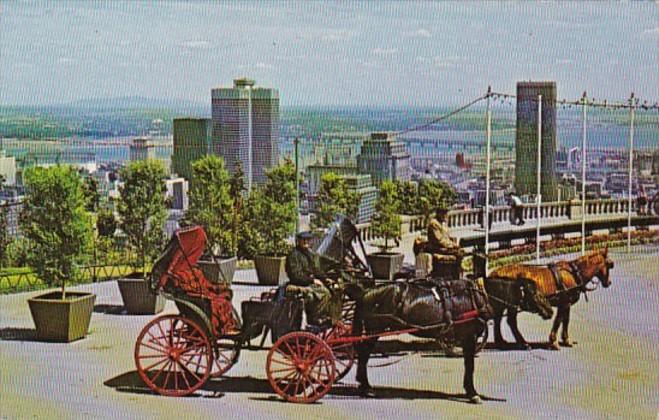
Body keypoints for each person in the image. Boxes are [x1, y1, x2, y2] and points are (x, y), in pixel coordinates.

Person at [284, 231, 335, 325]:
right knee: (324, 292)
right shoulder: (293, 255)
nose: (306, 242)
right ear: (298, 241)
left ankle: (326, 315)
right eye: (303, 240)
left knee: (332, 290)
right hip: (298, 284)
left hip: (306, 282)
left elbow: (315, 269)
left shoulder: (308, 253)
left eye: (308, 240)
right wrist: (312, 280)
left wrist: (325, 278)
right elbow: (296, 275)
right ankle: (314, 318)